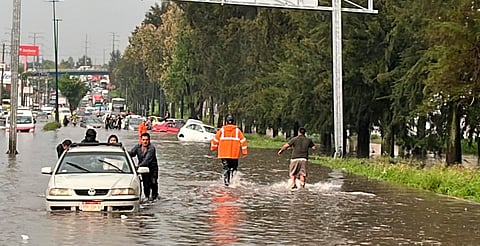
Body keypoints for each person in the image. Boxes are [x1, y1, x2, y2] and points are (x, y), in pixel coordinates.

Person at [210, 114, 248, 186]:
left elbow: (215, 140)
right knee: (234, 168)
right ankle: (234, 183)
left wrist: (213, 148)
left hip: (223, 154)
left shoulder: (222, 130)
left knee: (226, 168)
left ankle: (226, 183)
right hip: (234, 154)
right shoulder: (237, 131)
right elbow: (243, 141)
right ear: (233, 122)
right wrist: (244, 152)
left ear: (226, 122)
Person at [129, 133, 158, 201]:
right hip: (143, 169)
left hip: (152, 169)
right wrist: (123, 153)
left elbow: (147, 161)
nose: (145, 141)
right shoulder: (137, 147)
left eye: (147, 140)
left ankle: (154, 197)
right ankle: (147, 197)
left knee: (153, 182)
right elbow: (132, 153)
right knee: (146, 183)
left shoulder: (151, 148)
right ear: (140, 140)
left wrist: (137, 166)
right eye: (143, 140)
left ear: (149, 140)